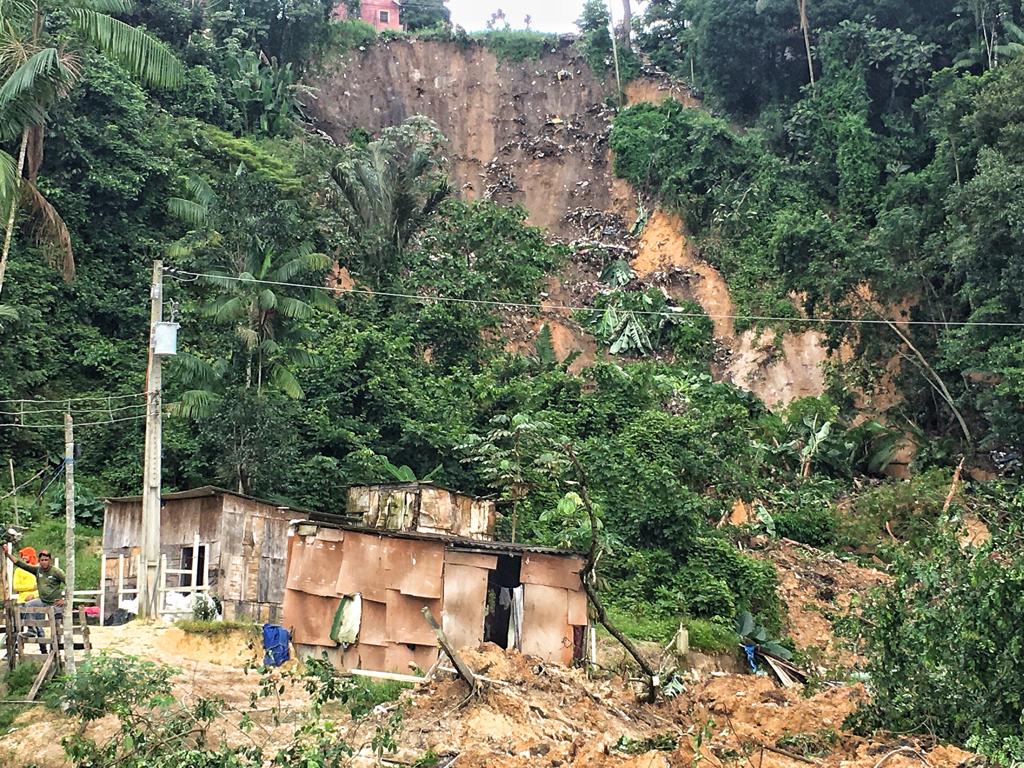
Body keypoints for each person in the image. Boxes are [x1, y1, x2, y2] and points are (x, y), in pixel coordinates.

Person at [4, 547, 66, 640]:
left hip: (55, 602)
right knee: (28, 605)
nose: (44, 562)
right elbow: (21, 564)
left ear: (50, 560)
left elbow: (70, 583)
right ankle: (31, 630)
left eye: (46, 560)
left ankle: (56, 648)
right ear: (39, 561)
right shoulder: (37, 570)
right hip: (42, 600)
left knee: (56, 626)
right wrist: (8, 554)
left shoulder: (56, 571)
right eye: (42, 560)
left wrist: (64, 599)